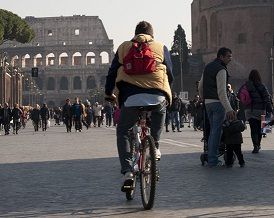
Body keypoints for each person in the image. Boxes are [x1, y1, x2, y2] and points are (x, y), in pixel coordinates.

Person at [104, 21, 173, 191]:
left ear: (134, 34)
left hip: (131, 98)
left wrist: (108, 94)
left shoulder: (124, 47)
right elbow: (170, 73)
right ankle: (155, 146)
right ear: (152, 34)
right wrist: (164, 90)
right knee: (160, 108)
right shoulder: (161, 46)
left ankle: (128, 171)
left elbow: (112, 73)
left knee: (123, 131)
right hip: (157, 95)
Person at [198, 47, 236, 167]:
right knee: (216, 131)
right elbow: (222, 92)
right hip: (218, 103)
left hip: (208, 103)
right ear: (221, 57)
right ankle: (213, 159)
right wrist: (229, 108)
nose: (230, 59)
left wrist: (204, 99)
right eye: (228, 56)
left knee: (212, 131)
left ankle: (211, 155)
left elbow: (200, 86)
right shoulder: (221, 70)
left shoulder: (208, 67)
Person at [244, 69, 273, 153]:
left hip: (249, 110)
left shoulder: (246, 86)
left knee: (253, 128)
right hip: (261, 110)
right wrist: (270, 110)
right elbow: (267, 98)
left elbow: (241, 96)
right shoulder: (262, 86)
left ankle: (255, 145)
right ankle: (258, 144)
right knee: (261, 128)